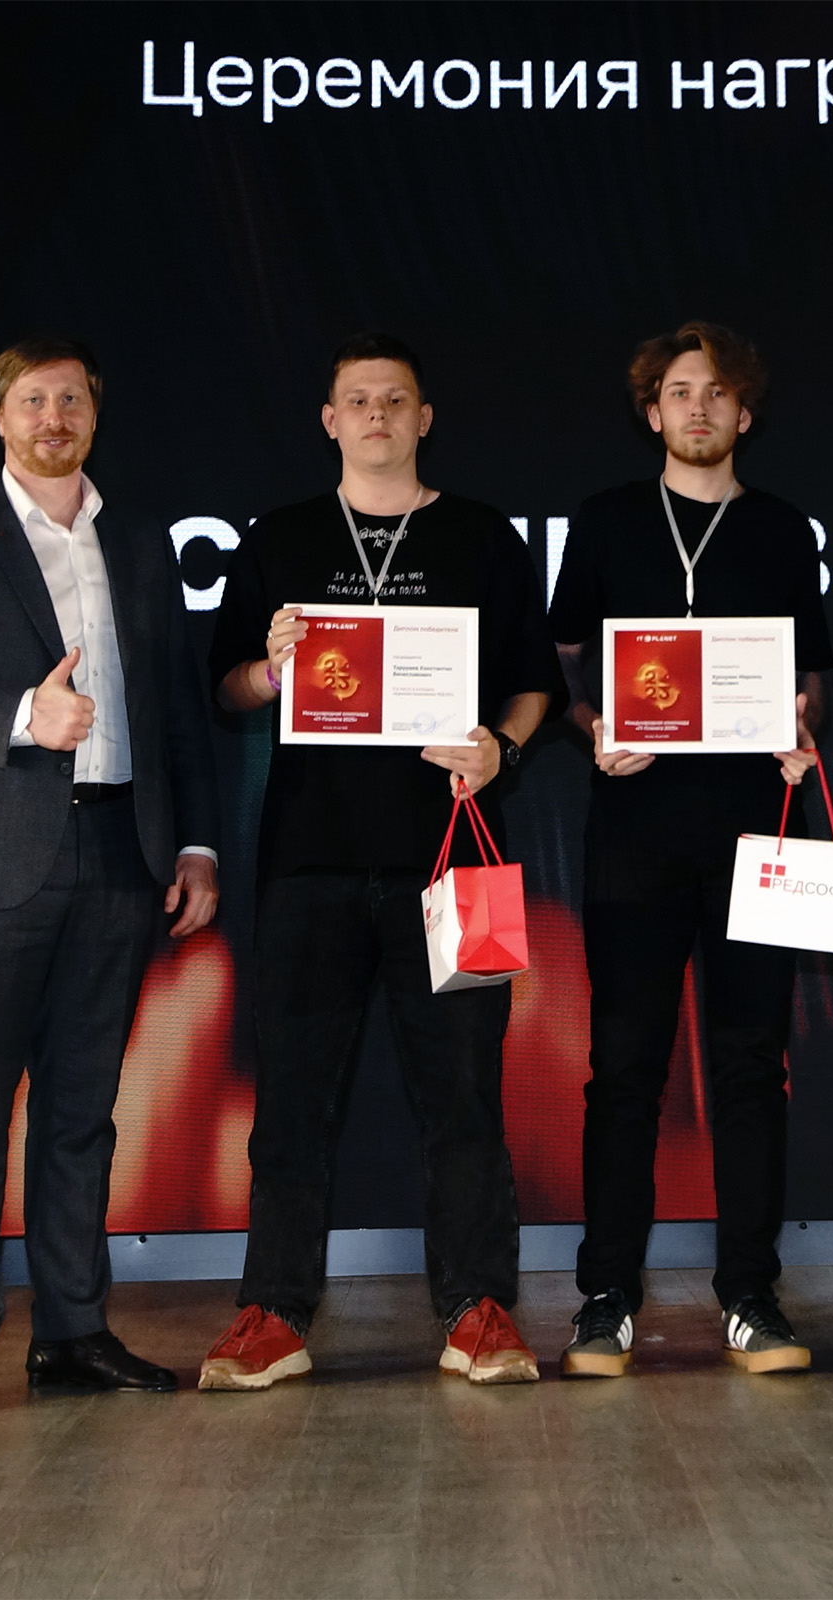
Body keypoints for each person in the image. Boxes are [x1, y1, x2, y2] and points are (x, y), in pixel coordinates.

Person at [0, 336, 222, 1416]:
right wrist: (22, 714)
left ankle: (72, 1331)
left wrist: (196, 844)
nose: (53, 416)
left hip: (119, 855)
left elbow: (175, 706)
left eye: (70, 399)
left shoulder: (140, 542)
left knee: (81, 1113)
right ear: (0, 415)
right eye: (33, 400)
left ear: (94, 414)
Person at [199, 333, 561, 1390]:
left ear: (423, 418)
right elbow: (223, 686)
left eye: (395, 399)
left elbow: (534, 682)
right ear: (329, 421)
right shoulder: (280, 536)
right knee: (291, 1101)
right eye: (356, 400)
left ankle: (478, 1309)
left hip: (451, 859)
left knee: (465, 1097)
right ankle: (272, 1312)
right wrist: (271, 675)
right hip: (308, 860)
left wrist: (501, 750)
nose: (376, 414)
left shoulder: (483, 536)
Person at [545, 322, 833, 1379]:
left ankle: (750, 1293)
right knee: (624, 1068)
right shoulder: (609, 519)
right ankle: (606, 1295)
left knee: (753, 1068)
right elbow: (565, 658)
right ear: (651, 409)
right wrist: (594, 728)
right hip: (634, 837)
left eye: (717, 392)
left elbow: (811, 674)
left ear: (744, 413)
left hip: (755, 833)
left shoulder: (784, 529)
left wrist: (800, 726)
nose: (698, 407)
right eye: (679, 391)